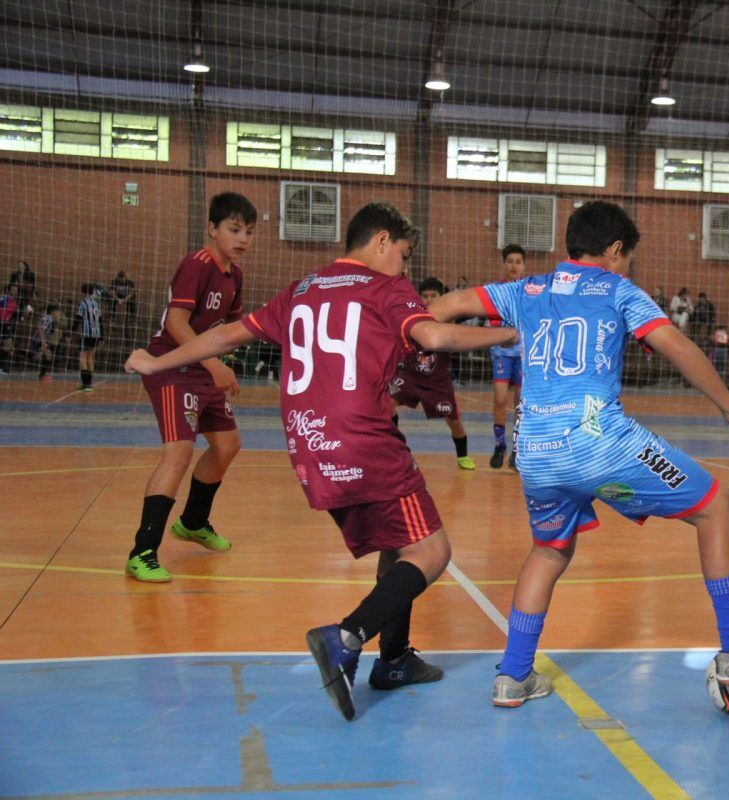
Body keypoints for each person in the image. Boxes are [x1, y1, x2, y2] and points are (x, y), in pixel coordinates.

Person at [126, 201, 518, 721]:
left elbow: (223, 335)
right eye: (402, 254)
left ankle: (395, 658)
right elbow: (437, 336)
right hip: (364, 438)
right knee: (432, 552)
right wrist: (513, 335)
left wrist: (156, 360)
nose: (403, 266)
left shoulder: (305, 288)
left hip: (308, 443)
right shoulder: (386, 289)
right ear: (381, 242)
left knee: (395, 539)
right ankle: (348, 636)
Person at [428, 200, 729, 708]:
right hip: (598, 440)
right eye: (628, 258)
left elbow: (444, 309)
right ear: (615, 251)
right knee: (715, 506)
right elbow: (679, 348)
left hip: (533, 449)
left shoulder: (525, 289)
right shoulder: (619, 290)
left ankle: (513, 676)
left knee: (549, 550)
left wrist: (434, 334)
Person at [121, 193, 254, 583]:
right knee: (178, 454)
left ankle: (193, 522)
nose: (242, 237)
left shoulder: (236, 275)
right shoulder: (196, 265)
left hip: (201, 367)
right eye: (233, 229)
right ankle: (142, 551)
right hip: (173, 366)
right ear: (212, 229)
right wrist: (213, 363)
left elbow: (227, 329)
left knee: (228, 445)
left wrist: (224, 362)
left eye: (248, 231)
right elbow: (178, 323)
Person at [389, 277, 476, 470]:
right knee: (387, 404)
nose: (429, 300)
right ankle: (395, 447)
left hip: (437, 380)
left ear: (441, 297)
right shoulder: (411, 315)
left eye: (433, 296)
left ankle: (462, 455)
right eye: (425, 296)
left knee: (454, 421)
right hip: (411, 375)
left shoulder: (448, 317)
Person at [488, 244, 525, 470]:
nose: (513, 265)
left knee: (521, 403)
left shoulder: (529, 291)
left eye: (518, 262)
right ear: (504, 264)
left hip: (523, 355)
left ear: (523, 266)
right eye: (510, 261)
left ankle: (517, 450)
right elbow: (492, 320)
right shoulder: (497, 290)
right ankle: (499, 445)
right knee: (500, 398)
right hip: (502, 353)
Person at [73, 282, 103, 391]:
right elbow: (100, 320)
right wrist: (101, 337)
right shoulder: (96, 304)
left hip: (86, 334)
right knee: (90, 357)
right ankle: (90, 384)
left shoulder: (83, 303)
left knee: (82, 357)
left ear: (83, 292)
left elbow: (78, 318)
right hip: (96, 334)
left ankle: (85, 384)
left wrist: (72, 331)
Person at [30, 302, 63, 381]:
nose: (59, 314)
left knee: (48, 355)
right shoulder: (47, 318)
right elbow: (40, 330)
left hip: (42, 340)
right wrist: (43, 342)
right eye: (57, 312)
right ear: (52, 312)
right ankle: (42, 374)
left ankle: (42, 374)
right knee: (42, 356)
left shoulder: (50, 319)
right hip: (38, 341)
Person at [0, 284, 17, 375]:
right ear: (9, 290)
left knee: (8, 347)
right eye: (13, 290)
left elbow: (13, 315)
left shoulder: (14, 302)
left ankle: (2, 367)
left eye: (16, 290)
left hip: (6, 326)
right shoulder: (3, 299)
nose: (15, 292)